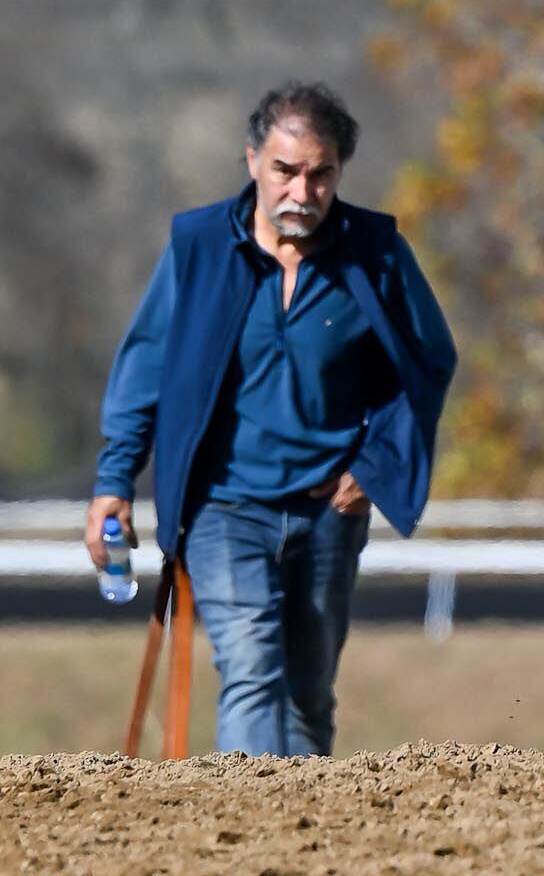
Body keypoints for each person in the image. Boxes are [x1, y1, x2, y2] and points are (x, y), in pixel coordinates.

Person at [85, 82, 457, 755]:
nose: (301, 192)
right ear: (253, 159)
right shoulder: (198, 247)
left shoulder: (374, 253)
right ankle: (244, 842)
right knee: (253, 670)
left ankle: (301, 845)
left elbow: (428, 362)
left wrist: (376, 462)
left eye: (321, 174)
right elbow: (145, 369)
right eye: (286, 170)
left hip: (328, 515)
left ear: (340, 172)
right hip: (224, 508)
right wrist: (114, 480)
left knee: (309, 695)